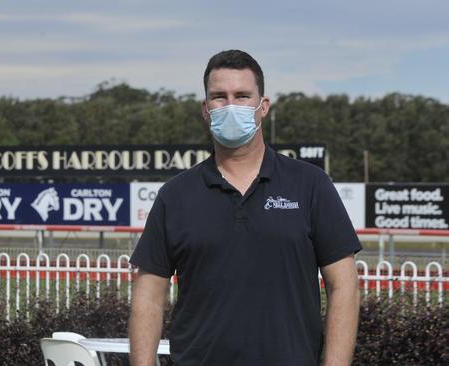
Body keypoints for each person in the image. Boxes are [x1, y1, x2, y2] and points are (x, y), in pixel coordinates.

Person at [129, 49, 362, 365]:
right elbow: (149, 296)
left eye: (242, 96)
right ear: (205, 109)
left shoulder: (310, 185)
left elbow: (344, 286)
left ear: (263, 106)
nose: (230, 106)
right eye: (219, 97)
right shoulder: (176, 195)